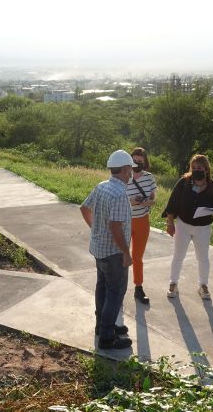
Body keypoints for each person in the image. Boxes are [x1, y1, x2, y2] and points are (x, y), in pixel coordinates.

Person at [80, 149, 135, 350]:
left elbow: (84, 208)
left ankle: (102, 326)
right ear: (126, 169)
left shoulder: (102, 186)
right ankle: (107, 337)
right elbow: (115, 226)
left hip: (99, 249)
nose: (131, 173)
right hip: (114, 253)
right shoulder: (120, 194)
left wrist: (95, 229)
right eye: (130, 170)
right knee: (115, 292)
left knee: (102, 287)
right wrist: (126, 253)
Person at [162, 154, 213, 300]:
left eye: (200, 168)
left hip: (203, 228)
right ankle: (173, 283)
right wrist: (170, 223)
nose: (196, 170)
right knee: (178, 256)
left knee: (203, 258)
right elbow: (172, 203)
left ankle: (203, 285)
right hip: (183, 225)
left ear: (206, 169)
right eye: (194, 167)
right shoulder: (184, 183)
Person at [127, 147, 157, 305]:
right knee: (120, 255)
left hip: (142, 221)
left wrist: (147, 202)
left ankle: (138, 287)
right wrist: (131, 201)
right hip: (124, 220)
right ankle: (117, 287)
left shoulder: (149, 178)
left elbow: (153, 200)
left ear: (145, 162)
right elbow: (116, 198)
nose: (137, 163)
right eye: (134, 160)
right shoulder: (124, 176)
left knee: (137, 257)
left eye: (140, 161)